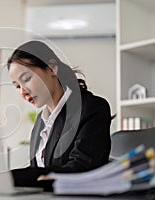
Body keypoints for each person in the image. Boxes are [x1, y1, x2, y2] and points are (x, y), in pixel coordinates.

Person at [7, 40, 112, 190]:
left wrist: (12, 177)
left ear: (52, 68)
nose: (22, 91)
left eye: (26, 79)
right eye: (17, 86)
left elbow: (80, 170)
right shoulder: (41, 123)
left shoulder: (92, 108)